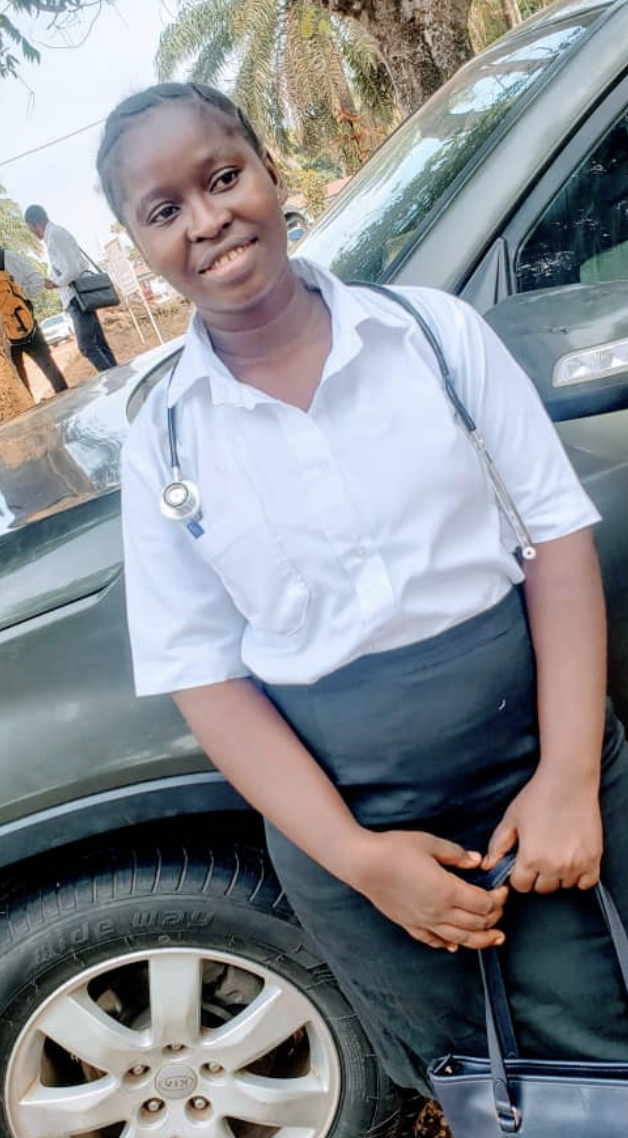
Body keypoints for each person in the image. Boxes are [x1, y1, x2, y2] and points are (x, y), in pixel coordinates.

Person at [96, 81, 628, 1100]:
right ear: (138, 247)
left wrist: (565, 778)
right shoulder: (162, 442)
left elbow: (555, 545)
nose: (206, 220)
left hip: (544, 778)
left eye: (221, 176)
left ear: (268, 171)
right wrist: (358, 858)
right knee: (481, 1085)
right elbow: (205, 677)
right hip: (357, 830)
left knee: (607, 1034)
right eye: (164, 210)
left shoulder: (431, 338)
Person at [23, 205, 117, 373]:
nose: (33, 234)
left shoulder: (55, 235)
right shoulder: (54, 235)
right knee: (99, 344)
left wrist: (55, 283)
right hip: (78, 297)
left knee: (87, 346)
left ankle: (116, 382)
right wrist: (54, 280)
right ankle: (119, 381)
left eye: (31, 230)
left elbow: (73, 269)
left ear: (35, 223)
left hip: (77, 299)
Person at [0, 245, 68, 396]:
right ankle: (70, 407)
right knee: (50, 368)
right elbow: (37, 281)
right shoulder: (10, 256)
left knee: (19, 382)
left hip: (4, 337)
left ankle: (29, 414)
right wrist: (21, 296)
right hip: (27, 324)